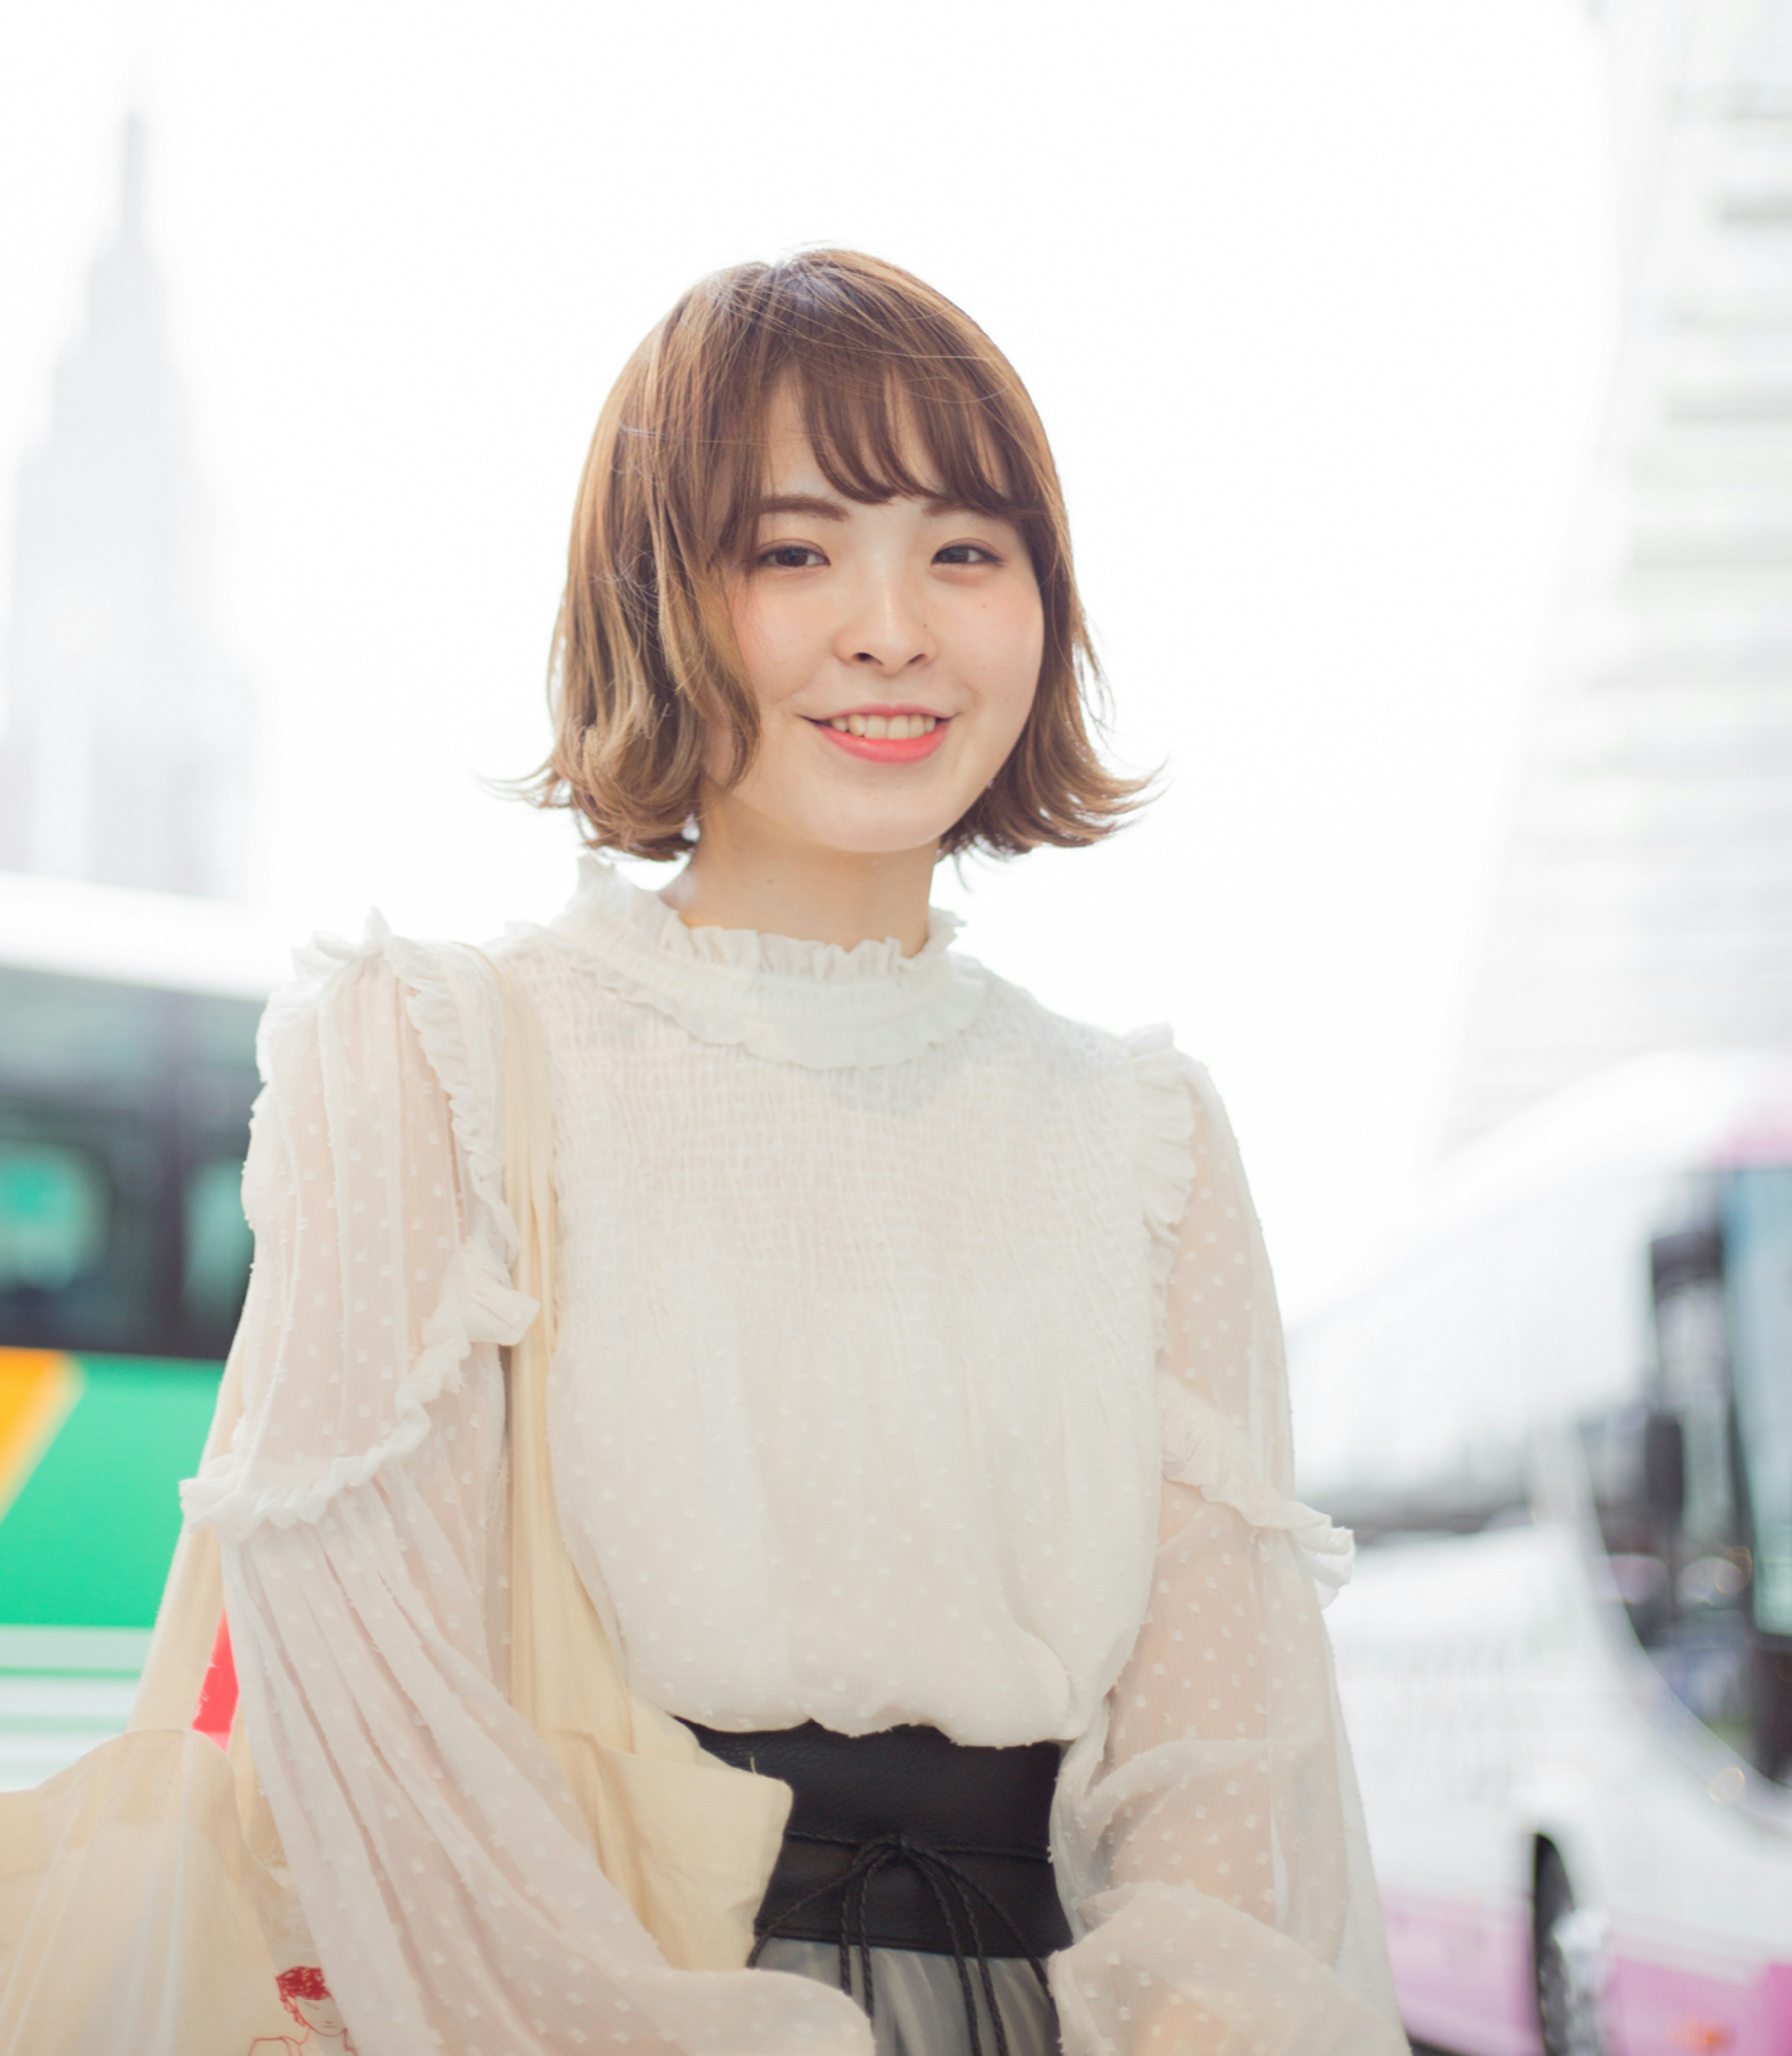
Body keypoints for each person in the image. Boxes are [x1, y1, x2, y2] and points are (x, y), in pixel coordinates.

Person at [185, 250, 1407, 2056]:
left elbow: (1227, 1767)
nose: (893, 627)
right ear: (655, 595)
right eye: (794, 550)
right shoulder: (437, 1052)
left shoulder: (1145, 1139)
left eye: (965, 551)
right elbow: (370, 1695)